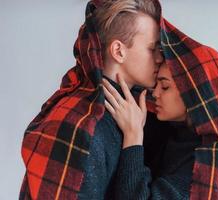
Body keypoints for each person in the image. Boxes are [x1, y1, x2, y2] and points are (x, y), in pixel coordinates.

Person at [19, 0, 163, 199]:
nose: (159, 58)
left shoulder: (137, 114)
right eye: (151, 49)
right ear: (118, 51)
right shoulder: (80, 125)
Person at [103, 18, 218, 199]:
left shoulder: (206, 161)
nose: (154, 93)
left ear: (192, 95)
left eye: (164, 87)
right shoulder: (174, 132)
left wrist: (133, 137)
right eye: (155, 84)